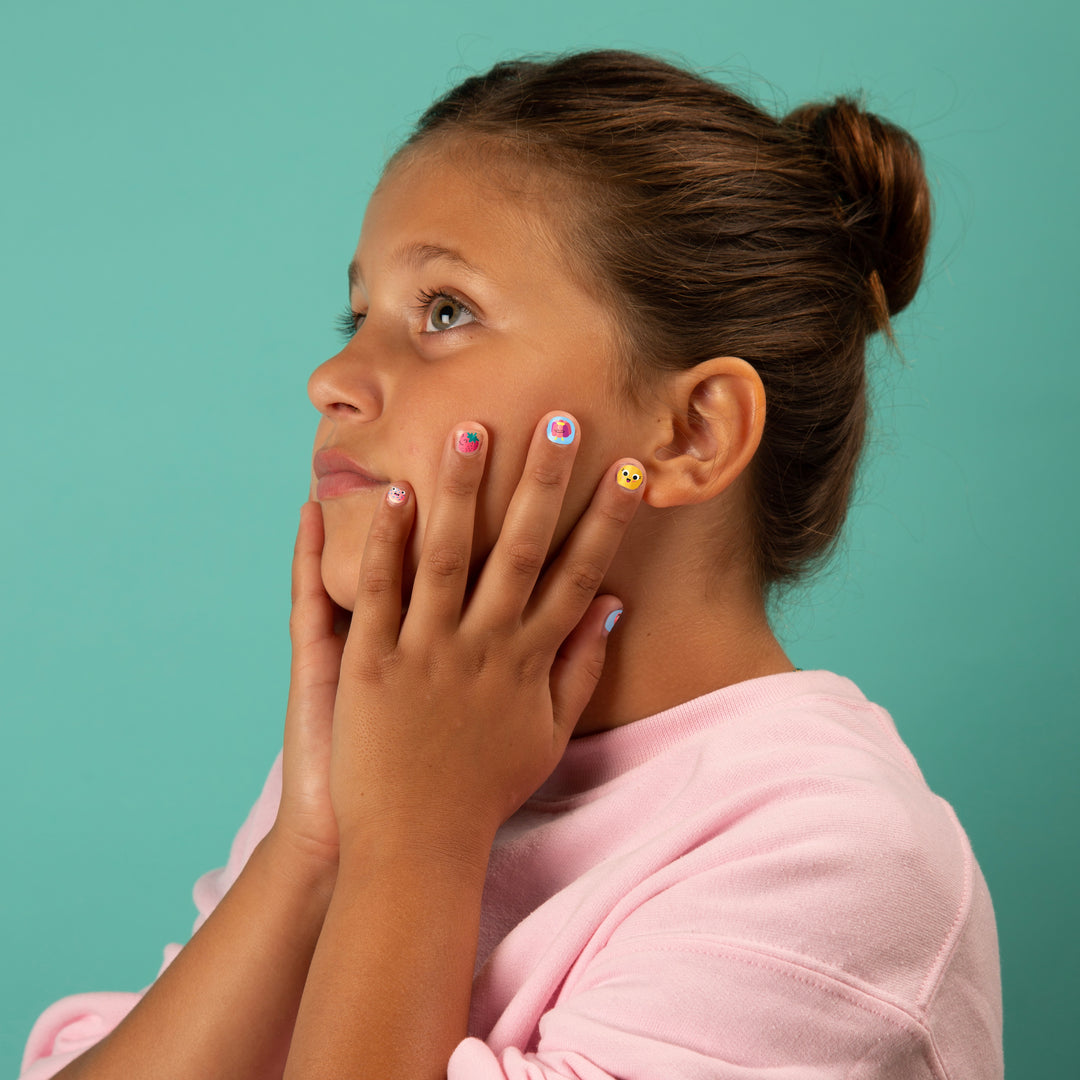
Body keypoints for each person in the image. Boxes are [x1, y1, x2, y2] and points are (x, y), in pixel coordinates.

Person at [20, 49, 1003, 1080]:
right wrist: (307, 852)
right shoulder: (397, 739)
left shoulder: (838, 864)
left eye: (446, 312)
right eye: (359, 316)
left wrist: (414, 836)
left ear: (693, 435)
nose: (333, 378)